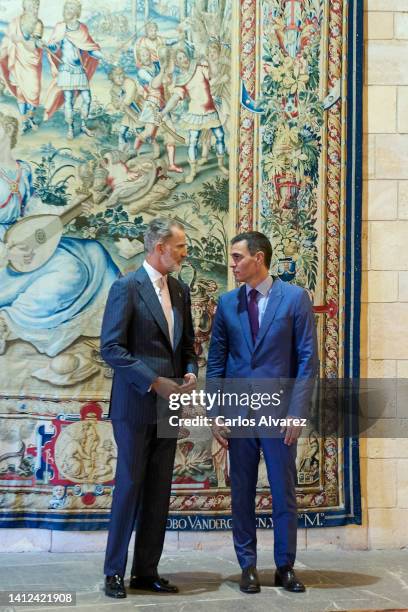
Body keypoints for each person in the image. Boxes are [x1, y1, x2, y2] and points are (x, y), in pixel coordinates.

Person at [206, 231, 318, 594]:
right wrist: (215, 413)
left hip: (279, 414)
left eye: (238, 257)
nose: (233, 264)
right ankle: (248, 566)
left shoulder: (295, 298)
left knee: (283, 491)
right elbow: (216, 362)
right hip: (238, 414)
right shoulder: (227, 304)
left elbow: (306, 360)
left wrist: (297, 413)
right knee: (241, 492)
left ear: (259, 258)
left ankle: (285, 566)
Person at [101, 217, 198, 599]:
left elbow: (188, 345)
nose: (185, 252)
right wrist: (154, 382)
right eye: (181, 246)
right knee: (129, 487)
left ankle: (146, 572)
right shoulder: (126, 287)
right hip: (135, 405)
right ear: (160, 247)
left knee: (159, 490)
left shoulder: (181, 290)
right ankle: (113, 572)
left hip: (168, 407)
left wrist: (189, 372)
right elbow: (111, 348)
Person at [0, 111, 119, 357]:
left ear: (10, 132)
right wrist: (6, 250)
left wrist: (70, 210)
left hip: (26, 239)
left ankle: (116, 318)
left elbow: (33, 210)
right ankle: (8, 320)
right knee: (71, 272)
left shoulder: (24, 169)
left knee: (93, 252)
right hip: (5, 253)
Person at [161, 47, 228, 184]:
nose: (183, 59)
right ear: (177, 63)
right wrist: (163, 112)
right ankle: (193, 171)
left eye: (184, 56)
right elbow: (174, 98)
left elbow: (214, 75)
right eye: (179, 59)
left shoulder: (199, 67)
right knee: (193, 142)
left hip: (210, 111)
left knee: (220, 136)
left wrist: (208, 59)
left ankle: (221, 165)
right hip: (195, 113)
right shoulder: (181, 79)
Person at [43, 0, 107, 139]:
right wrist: (48, 46)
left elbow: (90, 49)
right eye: (66, 8)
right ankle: (70, 128)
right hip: (66, 70)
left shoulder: (82, 28)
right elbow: (55, 47)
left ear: (76, 12)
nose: (67, 10)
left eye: (71, 8)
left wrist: (102, 55)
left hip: (79, 69)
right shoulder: (60, 28)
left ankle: (83, 125)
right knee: (69, 100)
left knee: (87, 98)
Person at [0, 0, 44, 133]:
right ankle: (25, 121)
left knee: (34, 91)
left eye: (37, 6)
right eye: (33, 5)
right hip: (17, 61)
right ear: (25, 6)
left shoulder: (38, 24)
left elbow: (33, 46)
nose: (36, 8)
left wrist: (21, 40)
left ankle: (31, 117)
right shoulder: (15, 23)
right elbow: (7, 42)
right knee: (20, 92)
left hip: (31, 62)